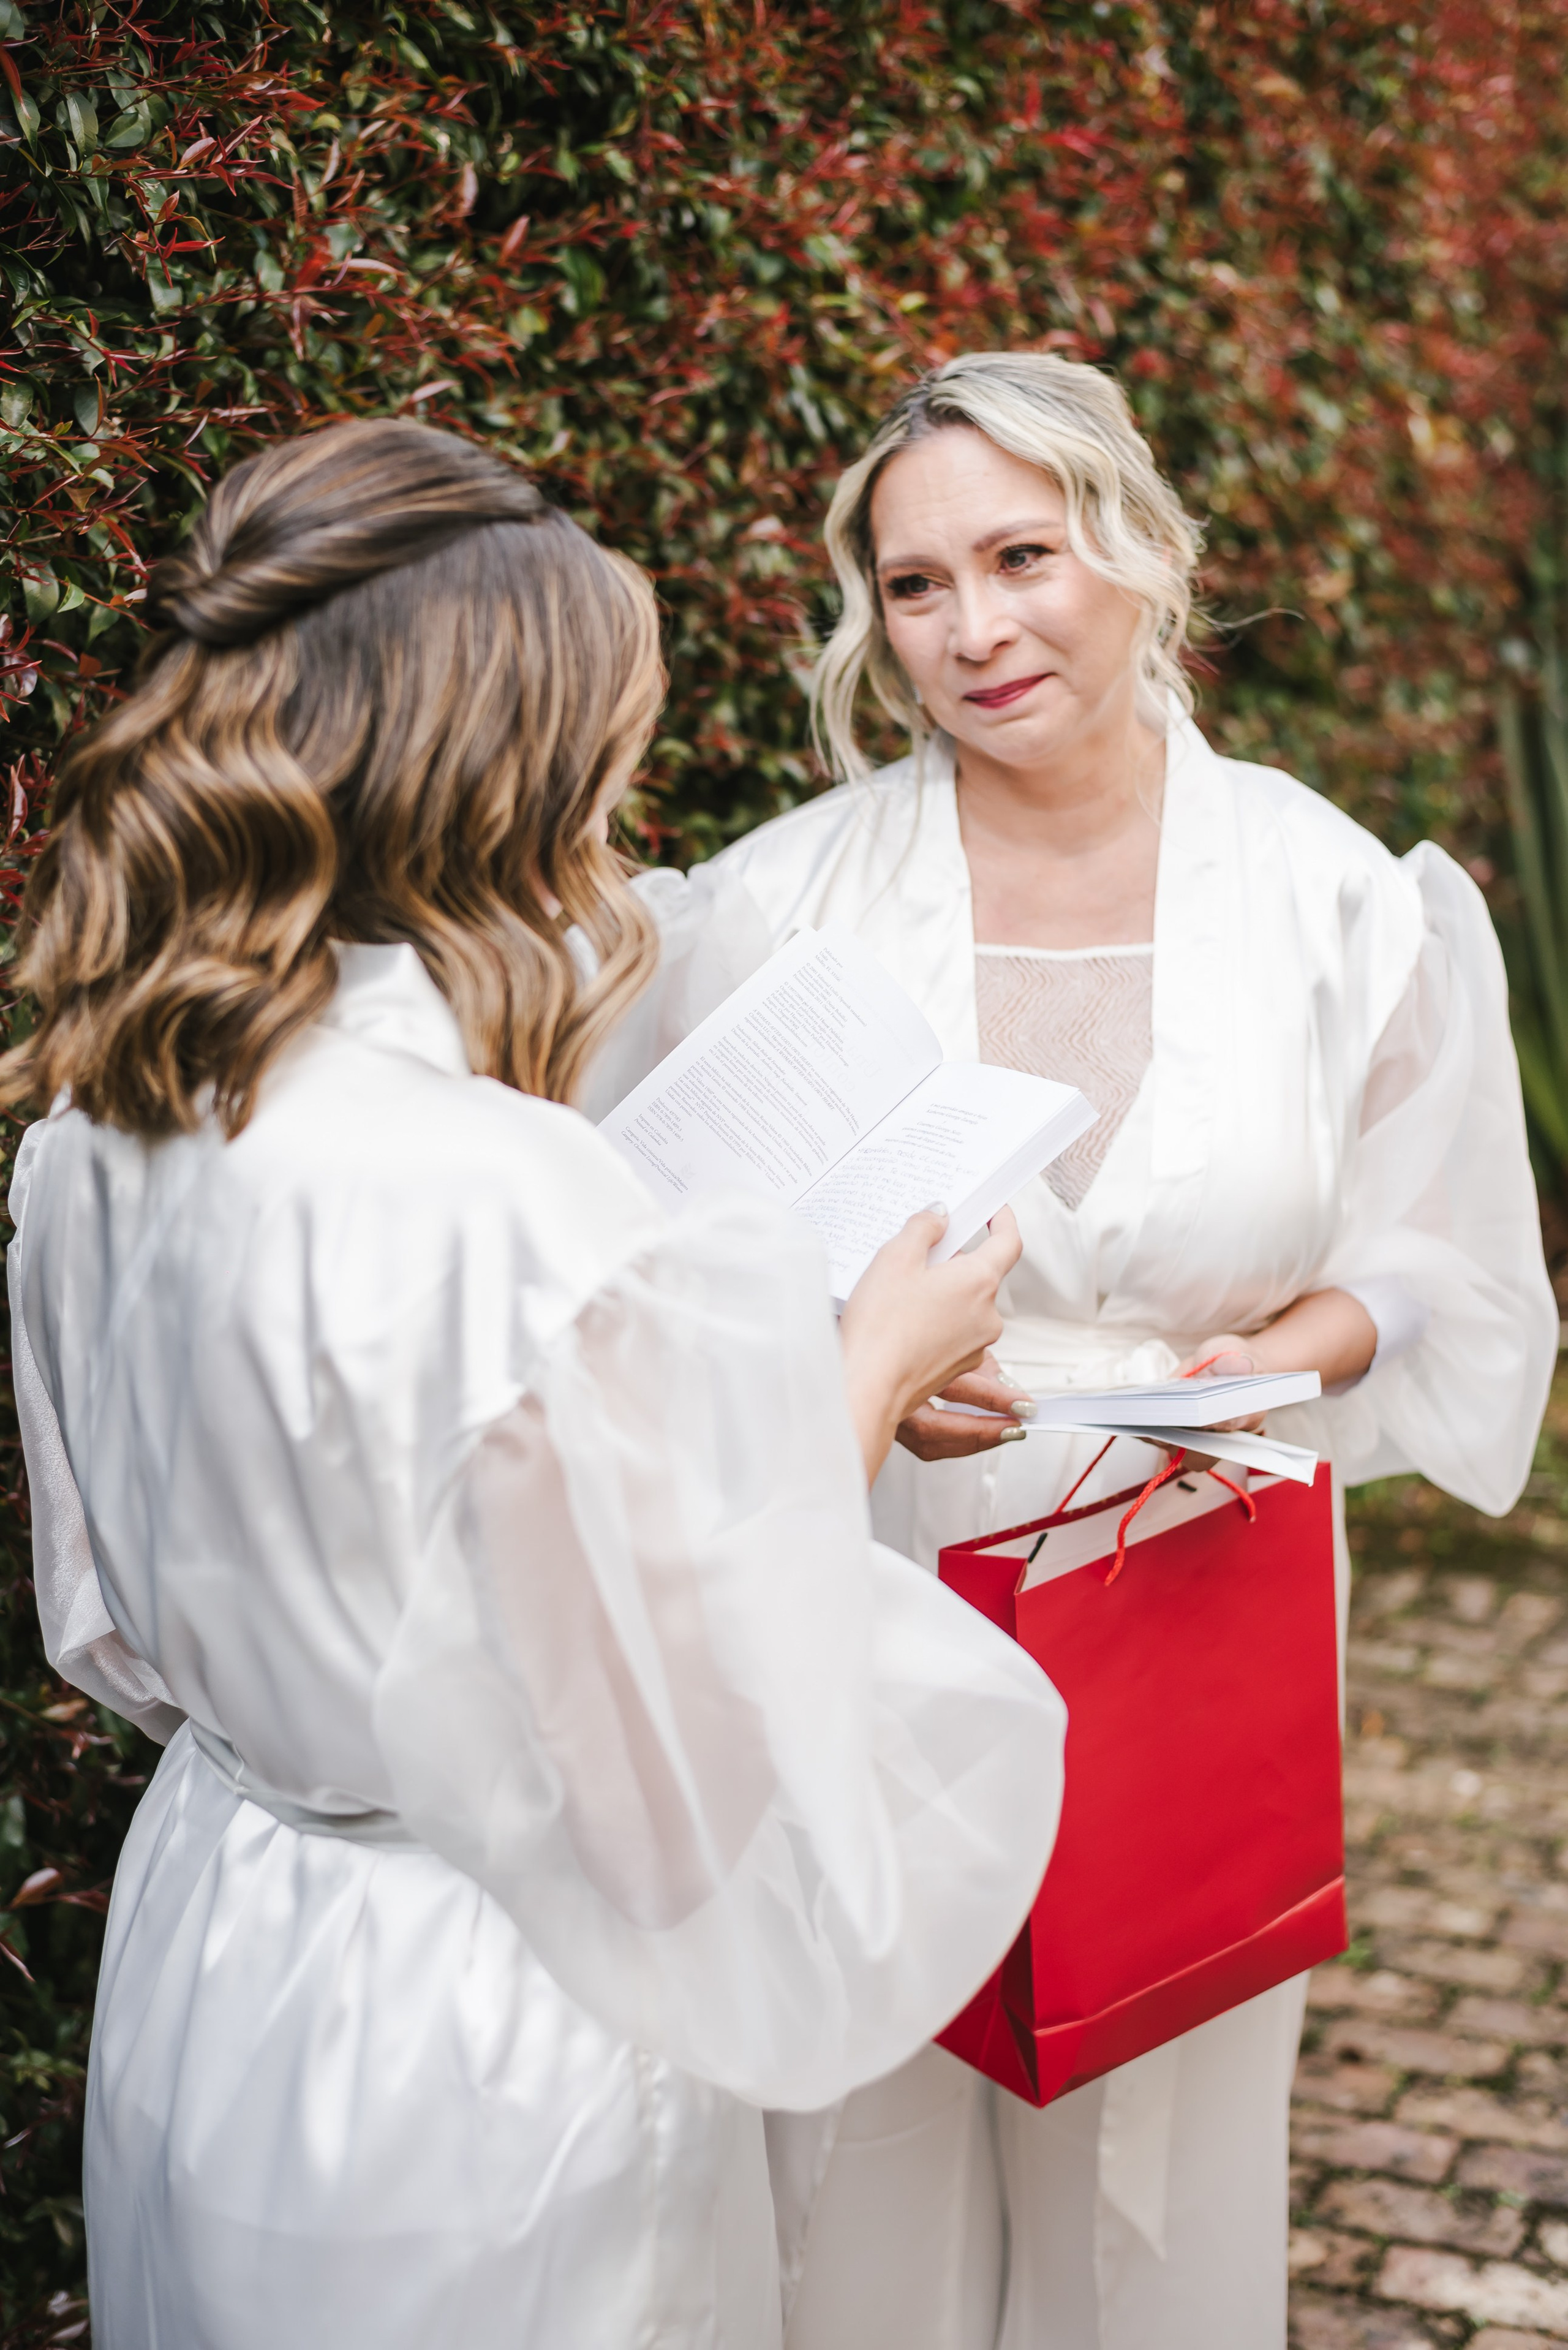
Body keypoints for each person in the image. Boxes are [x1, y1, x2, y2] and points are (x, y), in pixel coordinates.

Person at [1, 419, 1069, 2350]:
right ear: (506, 778)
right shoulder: (510, 1193)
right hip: (487, 2030)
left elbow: (115, 1630)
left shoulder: (92, 1126)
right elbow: (668, 1784)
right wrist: (859, 1371)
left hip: (219, 1935)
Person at [674, 352, 1559, 2349]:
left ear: (1139, 548)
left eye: (1020, 554)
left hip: (1199, 1578)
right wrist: (849, 1338)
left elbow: (1439, 1256)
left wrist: (1288, 1346)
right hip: (883, 1575)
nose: (974, 629)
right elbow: (652, 1258)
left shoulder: (1342, 902)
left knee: (1158, 2192)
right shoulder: (771, 918)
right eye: (915, 586)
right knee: (858, 2154)